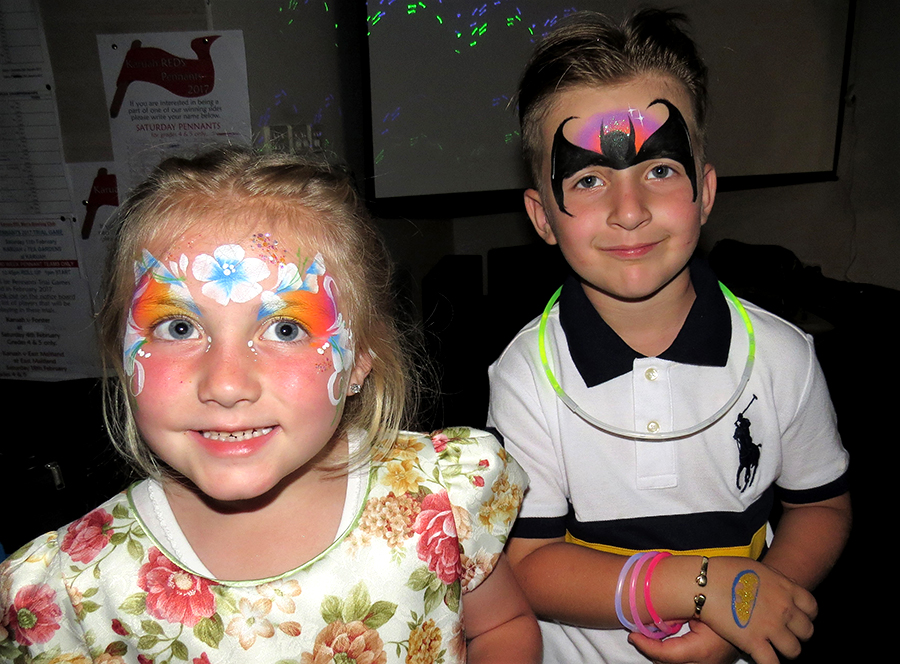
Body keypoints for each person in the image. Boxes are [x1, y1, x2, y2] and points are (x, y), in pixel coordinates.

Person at [0, 147, 541, 663]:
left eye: (285, 328)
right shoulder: (77, 586)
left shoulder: (435, 502)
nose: (228, 384)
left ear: (357, 362)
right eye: (179, 326)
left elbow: (500, 627)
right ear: (120, 355)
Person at [487, 9, 851, 664]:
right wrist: (700, 588)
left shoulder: (783, 356)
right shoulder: (524, 375)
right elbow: (530, 561)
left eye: (659, 170)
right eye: (589, 179)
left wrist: (755, 603)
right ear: (543, 217)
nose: (629, 210)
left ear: (705, 192)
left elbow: (822, 509)